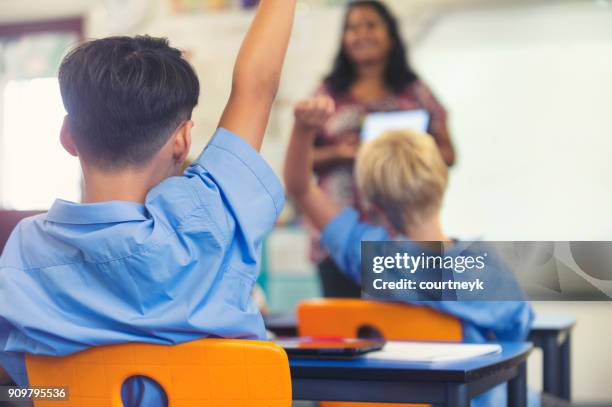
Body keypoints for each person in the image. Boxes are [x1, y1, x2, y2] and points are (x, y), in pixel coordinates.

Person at [0, 0, 296, 405]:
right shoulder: (212, 216)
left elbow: (25, 381)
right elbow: (257, 85)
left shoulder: (24, 250)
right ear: (183, 140)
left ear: (67, 135)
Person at [284, 96, 536, 407]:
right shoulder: (485, 271)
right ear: (442, 183)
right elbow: (518, 331)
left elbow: (300, 188)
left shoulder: (369, 256)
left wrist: (303, 129)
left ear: (374, 203)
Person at [296, 0, 456, 298]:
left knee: (406, 328)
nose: (361, 35)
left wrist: (407, 148)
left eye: (370, 25)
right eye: (352, 28)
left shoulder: (415, 91)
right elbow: (300, 164)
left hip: (401, 237)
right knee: (347, 330)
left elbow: (449, 154)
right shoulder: (327, 92)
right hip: (338, 231)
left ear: (390, 35)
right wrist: (339, 153)